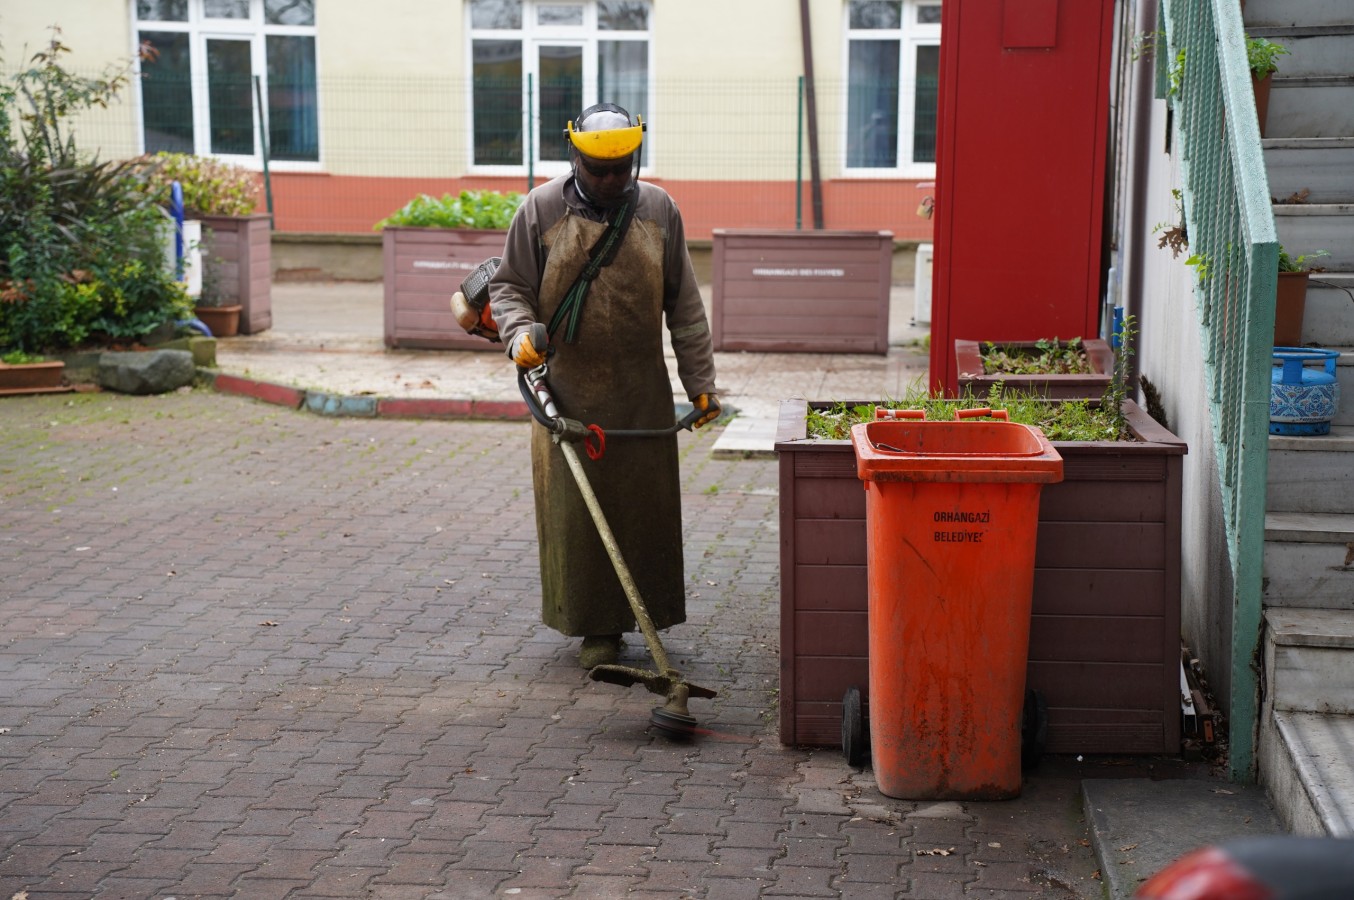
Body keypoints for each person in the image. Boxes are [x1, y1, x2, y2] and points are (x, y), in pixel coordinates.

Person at [488, 103, 720, 670]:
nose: (612, 179)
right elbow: (509, 287)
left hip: (642, 394)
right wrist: (519, 334)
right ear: (576, 156)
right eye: (600, 170)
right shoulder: (539, 208)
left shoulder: (660, 210)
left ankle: (646, 614)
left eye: (622, 169)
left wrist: (701, 384)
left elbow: (684, 307)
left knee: (644, 512)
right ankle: (597, 629)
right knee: (579, 517)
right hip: (566, 394)